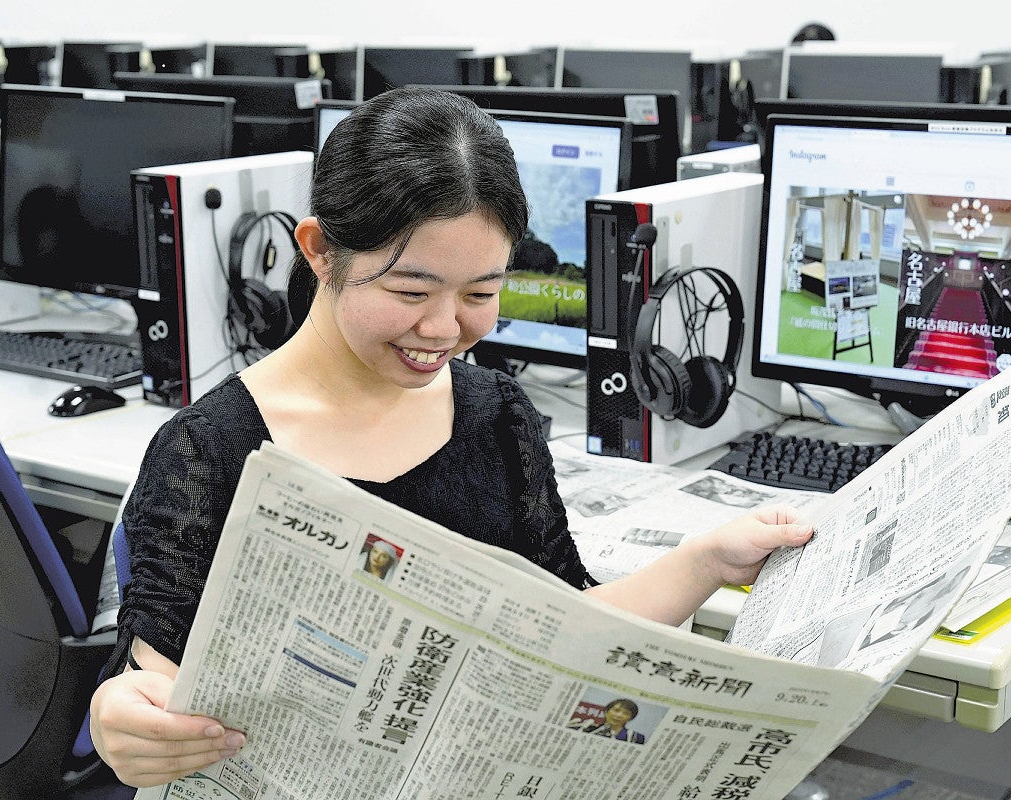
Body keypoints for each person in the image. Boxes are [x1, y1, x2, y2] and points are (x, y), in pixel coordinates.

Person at [88, 87, 814, 789]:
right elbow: (153, 688)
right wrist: (122, 718)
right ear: (318, 251)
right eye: (409, 292)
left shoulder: (497, 413)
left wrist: (707, 561)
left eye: (480, 293)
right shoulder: (210, 450)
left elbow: (565, 628)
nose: (443, 330)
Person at [580, 699, 647, 744]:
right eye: (616, 710)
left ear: (631, 718)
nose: (619, 715)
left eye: (626, 713)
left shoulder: (636, 737)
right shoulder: (589, 729)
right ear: (606, 712)